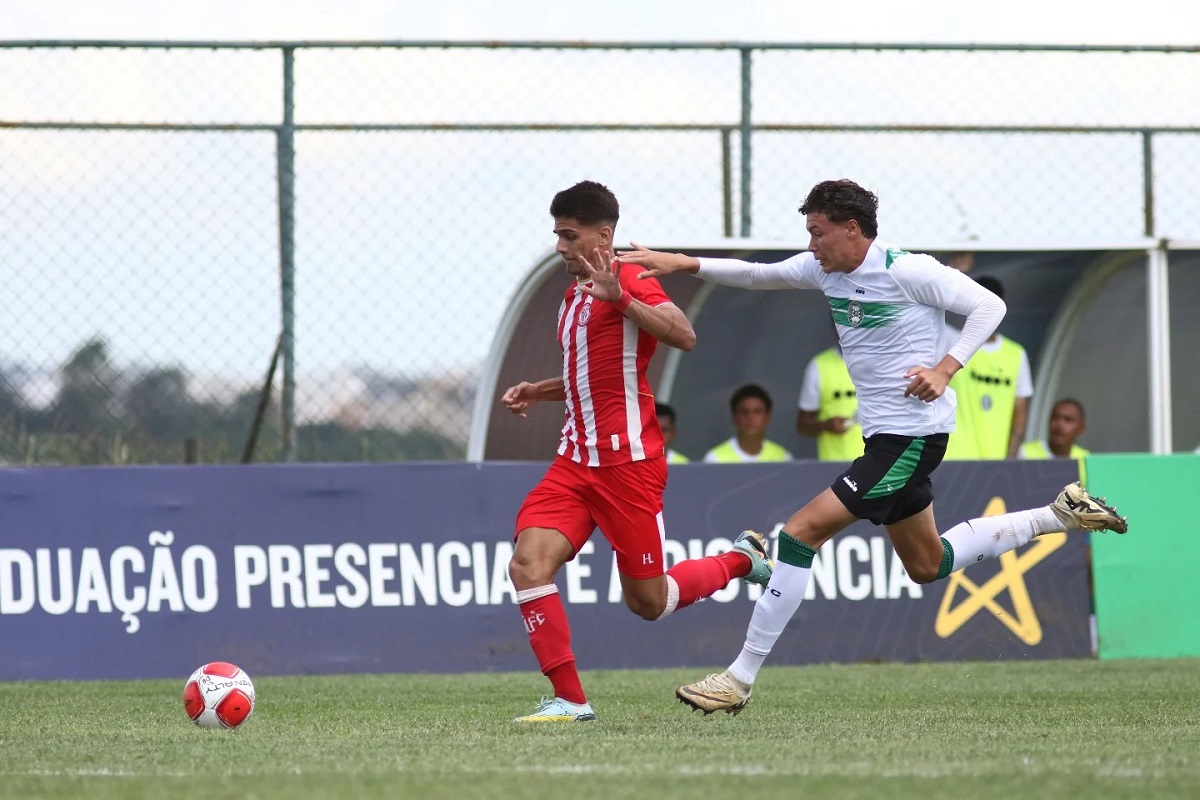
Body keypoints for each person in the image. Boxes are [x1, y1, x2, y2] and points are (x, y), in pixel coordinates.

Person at [618, 178, 1128, 715]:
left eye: (818, 232)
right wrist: (683, 262)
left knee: (796, 537)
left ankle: (738, 679)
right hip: (889, 439)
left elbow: (989, 307)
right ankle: (1060, 515)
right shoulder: (824, 269)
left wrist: (944, 369)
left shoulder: (906, 269)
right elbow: (755, 275)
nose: (811, 245)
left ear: (852, 229)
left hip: (910, 439)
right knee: (929, 563)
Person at [501, 180, 773, 723]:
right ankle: (570, 701)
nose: (560, 247)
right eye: (556, 235)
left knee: (649, 603)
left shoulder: (628, 276)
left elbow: (684, 333)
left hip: (628, 467)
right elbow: (594, 370)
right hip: (574, 464)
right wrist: (539, 388)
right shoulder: (574, 289)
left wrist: (621, 298)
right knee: (528, 565)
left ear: (603, 235)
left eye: (569, 235)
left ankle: (743, 560)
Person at [942, 276, 1033, 460]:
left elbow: (1020, 415)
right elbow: (927, 299)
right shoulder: (953, 341)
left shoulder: (1015, 354)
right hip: (954, 459)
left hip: (994, 462)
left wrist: (1010, 460)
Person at [796, 328, 864, 461]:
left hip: (877, 464)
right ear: (833, 324)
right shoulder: (818, 366)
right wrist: (827, 425)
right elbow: (803, 424)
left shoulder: (882, 361)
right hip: (834, 467)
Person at [703, 384, 794, 463]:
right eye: (744, 412)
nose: (751, 418)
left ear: (767, 417)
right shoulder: (715, 460)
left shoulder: (783, 459)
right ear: (734, 417)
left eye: (757, 412)